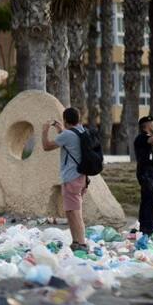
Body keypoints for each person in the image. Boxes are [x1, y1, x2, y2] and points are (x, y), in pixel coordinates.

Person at [40, 107, 90, 253]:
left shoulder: (68, 134)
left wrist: (44, 130)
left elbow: (46, 146)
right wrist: (61, 130)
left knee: (75, 212)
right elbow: (70, 142)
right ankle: (76, 242)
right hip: (82, 177)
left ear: (65, 120)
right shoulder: (81, 131)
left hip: (71, 178)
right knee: (70, 211)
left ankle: (81, 243)